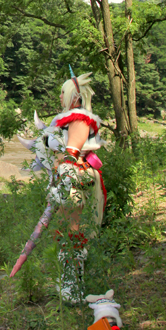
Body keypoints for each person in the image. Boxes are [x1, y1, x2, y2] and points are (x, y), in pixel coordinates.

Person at [46, 71, 107, 302]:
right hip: (69, 178)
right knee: (66, 229)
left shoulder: (79, 118)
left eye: (63, 92)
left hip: (74, 179)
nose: (60, 96)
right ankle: (69, 284)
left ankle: (73, 287)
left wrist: (64, 180)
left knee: (72, 230)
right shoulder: (72, 118)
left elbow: (71, 155)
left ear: (74, 96)